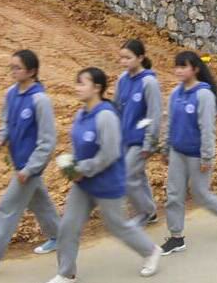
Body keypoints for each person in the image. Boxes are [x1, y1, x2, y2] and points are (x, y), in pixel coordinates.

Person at [52, 69, 160, 283]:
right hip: (83, 184)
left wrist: (82, 169)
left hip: (107, 183)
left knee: (117, 226)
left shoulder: (106, 116)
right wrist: (72, 167)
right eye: (77, 83)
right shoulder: (81, 114)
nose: (77, 88)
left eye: (82, 83)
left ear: (97, 88)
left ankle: (150, 251)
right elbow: (80, 147)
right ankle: (66, 273)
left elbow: (109, 154)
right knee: (68, 227)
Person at [0, 51, 61, 279]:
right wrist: (2, 136)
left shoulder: (40, 100)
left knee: (6, 209)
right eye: (11, 67)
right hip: (20, 164)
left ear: (32, 71)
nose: (13, 72)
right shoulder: (11, 93)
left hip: (29, 166)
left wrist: (30, 169)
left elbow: (47, 141)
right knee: (40, 203)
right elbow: (6, 121)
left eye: (18, 68)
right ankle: (59, 237)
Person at [161, 52, 217, 253]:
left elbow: (207, 128)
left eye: (183, 67)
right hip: (177, 152)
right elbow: (169, 123)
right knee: (174, 195)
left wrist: (207, 156)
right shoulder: (175, 93)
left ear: (195, 69)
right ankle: (176, 237)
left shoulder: (204, 95)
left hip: (197, 154)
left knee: (200, 194)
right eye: (177, 66)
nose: (179, 71)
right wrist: (166, 147)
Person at [115, 40, 161, 226]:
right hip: (125, 138)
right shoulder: (122, 79)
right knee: (138, 176)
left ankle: (145, 211)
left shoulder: (149, 82)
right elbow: (117, 108)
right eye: (122, 58)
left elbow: (154, 114)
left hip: (140, 140)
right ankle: (151, 212)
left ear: (140, 58)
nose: (124, 62)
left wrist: (150, 142)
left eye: (128, 58)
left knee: (126, 176)